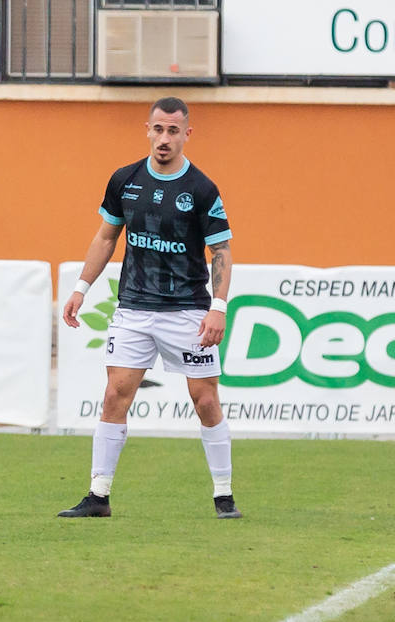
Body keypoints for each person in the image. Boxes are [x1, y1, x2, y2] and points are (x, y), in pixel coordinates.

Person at [58, 97, 239, 520]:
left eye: (173, 131)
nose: (164, 138)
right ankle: (98, 495)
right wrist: (81, 288)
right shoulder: (125, 180)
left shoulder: (201, 189)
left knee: (205, 400)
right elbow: (106, 238)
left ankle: (224, 494)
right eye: (158, 129)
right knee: (114, 396)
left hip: (188, 311)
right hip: (133, 309)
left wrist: (219, 308)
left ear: (187, 134)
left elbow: (222, 251)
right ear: (147, 130)